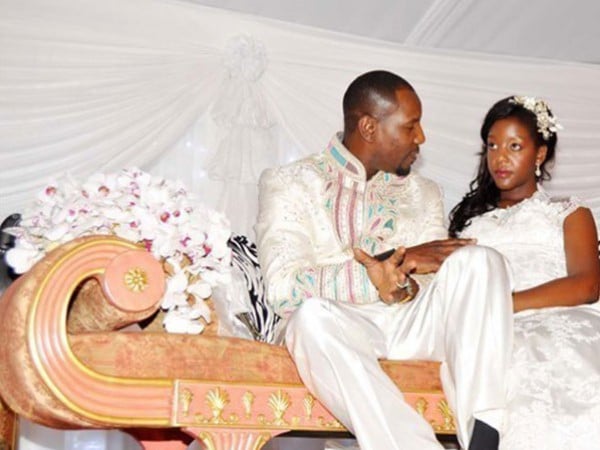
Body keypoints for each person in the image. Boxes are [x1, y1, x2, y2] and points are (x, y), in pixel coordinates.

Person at [255, 70, 514, 450]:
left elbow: (433, 278)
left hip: (411, 324)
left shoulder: (424, 192)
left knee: (482, 260)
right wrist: (376, 274)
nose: (421, 137)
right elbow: (283, 290)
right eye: (410, 126)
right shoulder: (290, 182)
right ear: (369, 127)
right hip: (340, 328)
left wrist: (402, 283)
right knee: (309, 318)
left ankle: (484, 437)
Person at [449, 96, 600, 450]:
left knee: (539, 357)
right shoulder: (470, 223)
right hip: (487, 329)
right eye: (492, 146)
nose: (500, 157)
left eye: (514, 146)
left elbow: (587, 285)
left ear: (540, 154)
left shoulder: (569, 212)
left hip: (557, 319)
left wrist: (504, 305)